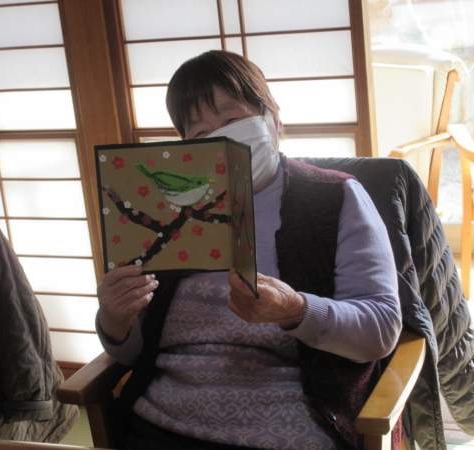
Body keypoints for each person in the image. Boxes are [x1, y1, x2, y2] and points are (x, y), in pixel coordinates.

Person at [96, 50, 402, 450]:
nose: (222, 138)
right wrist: (115, 320)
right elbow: (135, 352)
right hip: (163, 422)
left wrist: (296, 311)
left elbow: (380, 329)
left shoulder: (334, 197)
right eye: (200, 132)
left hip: (293, 425)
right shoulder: (163, 208)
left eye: (233, 119)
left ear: (273, 118)